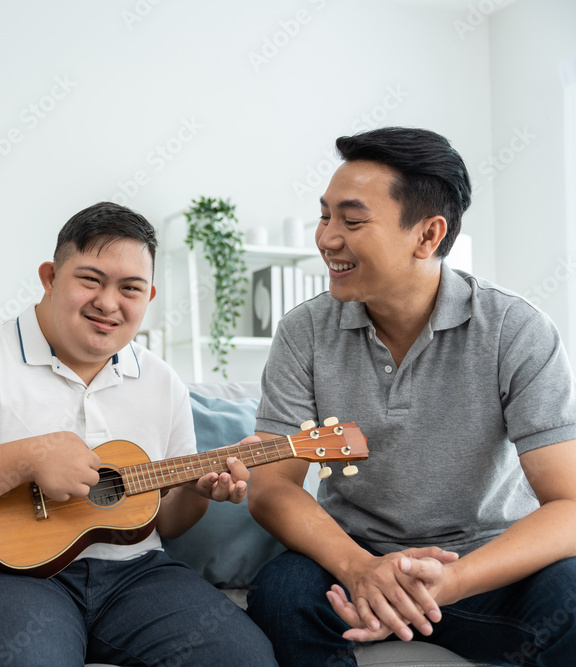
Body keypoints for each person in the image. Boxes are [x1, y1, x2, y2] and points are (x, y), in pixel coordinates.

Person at [0, 202, 276, 666]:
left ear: (148, 298)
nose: (109, 303)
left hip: (135, 573)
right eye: (90, 280)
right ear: (51, 277)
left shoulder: (160, 380)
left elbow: (165, 521)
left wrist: (200, 491)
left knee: (244, 657)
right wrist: (30, 457)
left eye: (129, 289)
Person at [246, 127, 576, 666]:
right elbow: (269, 488)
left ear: (427, 235)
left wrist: (452, 581)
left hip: (485, 566)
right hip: (352, 560)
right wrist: (359, 568)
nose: (327, 238)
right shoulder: (303, 332)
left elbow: (570, 505)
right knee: (280, 596)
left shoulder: (515, 329)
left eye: (352, 221)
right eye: (325, 215)